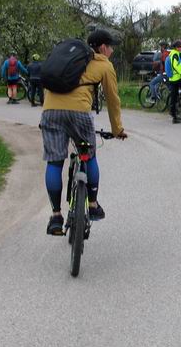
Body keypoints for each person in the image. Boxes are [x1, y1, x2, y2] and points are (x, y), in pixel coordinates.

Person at [43, 30, 127, 235]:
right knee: (88, 157)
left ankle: (55, 216)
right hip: (80, 114)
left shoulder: (66, 58)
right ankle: (92, 204)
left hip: (50, 111)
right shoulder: (104, 65)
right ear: (102, 47)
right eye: (111, 46)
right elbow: (113, 100)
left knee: (54, 161)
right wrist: (117, 129)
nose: (112, 50)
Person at [165, 40, 181, 123]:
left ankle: (174, 112)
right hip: (176, 78)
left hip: (173, 78)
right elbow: (175, 65)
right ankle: (174, 116)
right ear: (176, 47)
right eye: (179, 47)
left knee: (174, 96)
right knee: (174, 97)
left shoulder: (173, 53)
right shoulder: (175, 54)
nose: (180, 48)